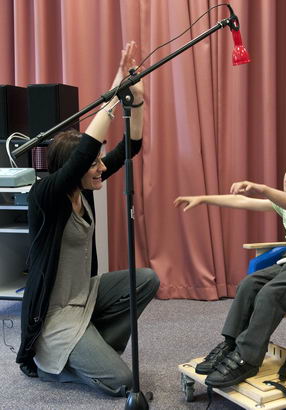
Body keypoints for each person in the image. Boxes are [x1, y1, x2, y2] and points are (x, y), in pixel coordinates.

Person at [16, 42, 160, 397]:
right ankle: (57, 367)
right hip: (55, 315)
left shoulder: (85, 188)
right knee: (123, 383)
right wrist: (112, 94)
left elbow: (130, 147)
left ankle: (95, 346)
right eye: (94, 163)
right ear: (72, 169)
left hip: (86, 296)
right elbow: (83, 156)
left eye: (99, 162)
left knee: (145, 279)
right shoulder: (46, 197)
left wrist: (137, 101)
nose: (101, 168)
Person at [174, 149, 286, 388]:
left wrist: (263, 188)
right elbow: (243, 201)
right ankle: (231, 345)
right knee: (249, 284)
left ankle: (248, 358)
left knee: (270, 293)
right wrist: (204, 199)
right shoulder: (283, 204)